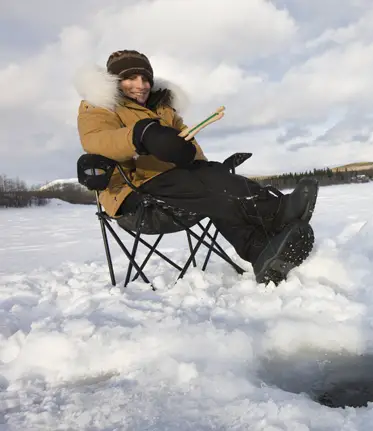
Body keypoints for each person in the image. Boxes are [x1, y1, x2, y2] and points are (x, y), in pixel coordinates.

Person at [74, 49, 318, 285]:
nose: (140, 85)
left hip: (179, 192)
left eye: (145, 78)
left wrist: (190, 155)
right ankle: (277, 211)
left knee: (213, 185)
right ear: (114, 81)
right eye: (130, 78)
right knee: (209, 185)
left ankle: (261, 251)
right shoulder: (99, 106)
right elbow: (97, 140)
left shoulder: (163, 108)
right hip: (136, 199)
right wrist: (142, 135)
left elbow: (191, 147)